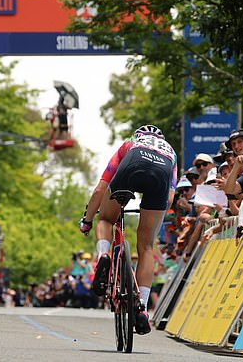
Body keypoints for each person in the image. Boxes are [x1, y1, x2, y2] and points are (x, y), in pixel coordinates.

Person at [79, 124, 177, 335]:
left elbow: (99, 190)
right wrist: (154, 223)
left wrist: (87, 221)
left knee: (105, 220)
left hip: (132, 164)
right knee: (146, 247)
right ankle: (141, 306)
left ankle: (104, 255)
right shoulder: (171, 151)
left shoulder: (130, 144)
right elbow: (169, 198)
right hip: (162, 174)